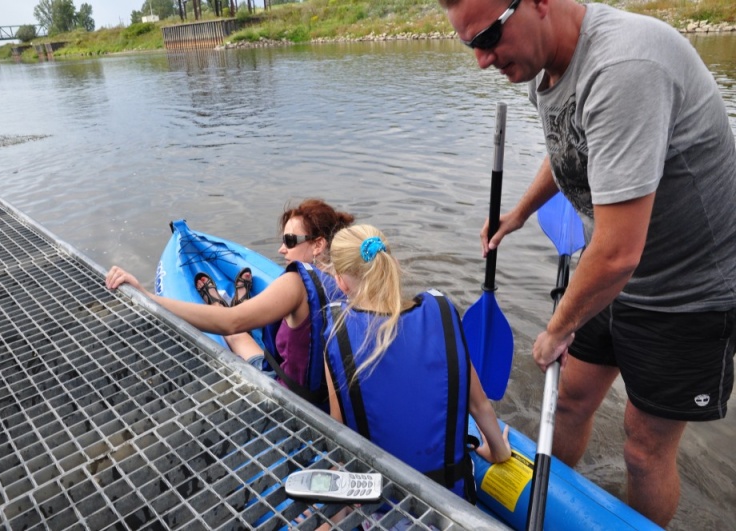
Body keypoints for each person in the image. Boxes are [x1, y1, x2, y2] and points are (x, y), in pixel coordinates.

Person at [439, 0, 736, 525]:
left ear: (538, 4)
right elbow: (569, 146)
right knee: (571, 401)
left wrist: (556, 329)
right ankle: (551, 508)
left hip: (689, 292)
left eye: (487, 37)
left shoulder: (625, 69)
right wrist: (519, 214)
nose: (481, 60)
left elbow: (620, 252)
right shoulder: (538, 64)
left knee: (643, 449)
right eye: (469, 45)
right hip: (612, 273)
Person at [323, 225, 511, 504]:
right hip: (451, 502)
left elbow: (339, 435)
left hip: (379, 509)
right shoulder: (442, 314)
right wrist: (500, 454)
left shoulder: (340, 338)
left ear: (340, 282)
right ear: (392, 263)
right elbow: (479, 404)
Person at [106, 199, 355, 407]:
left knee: (237, 336)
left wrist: (147, 296)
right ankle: (241, 301)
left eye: (290, 241)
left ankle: (218, 302)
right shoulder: (346, 283)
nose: (281, 249)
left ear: (318, 244)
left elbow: (230, 324)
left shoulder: (296, 283)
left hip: (288, 396)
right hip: (322, 401)